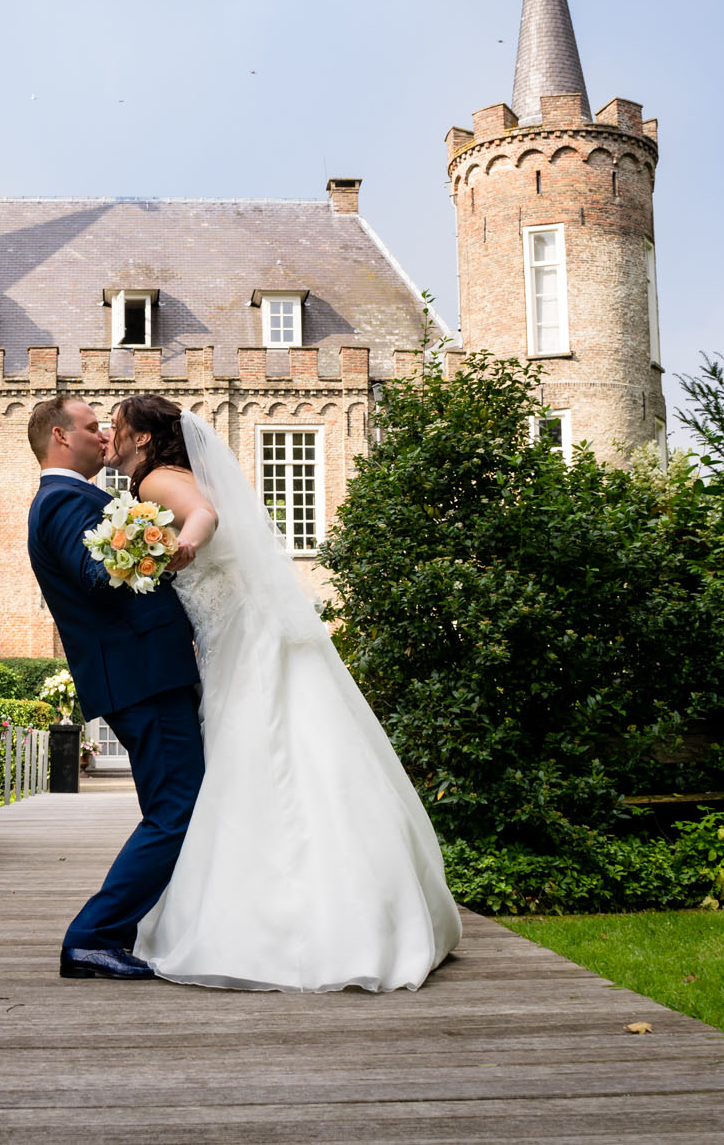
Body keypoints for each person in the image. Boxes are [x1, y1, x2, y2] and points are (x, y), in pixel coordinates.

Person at [109, 393, 462, 992]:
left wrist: (185, 543)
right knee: (301, 751)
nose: (111, 436)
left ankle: (283, 926)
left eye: (117, 427)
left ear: (143, 438)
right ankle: (370, 909)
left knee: (259, 755)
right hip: (233, 634)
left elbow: (203, 515)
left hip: (241, 640)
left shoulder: (161, 483)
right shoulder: (170, 476)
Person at [25, 395, 212, 980]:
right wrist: (149, 538)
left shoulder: (79, 498)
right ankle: (93, 936)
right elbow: (95, 575)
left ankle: (152, 925)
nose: (104, 438)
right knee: (176, 810)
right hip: (142, 678)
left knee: (175, 806)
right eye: (90, 428)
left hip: (148, 675)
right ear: (60, 437)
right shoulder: (61, 500)